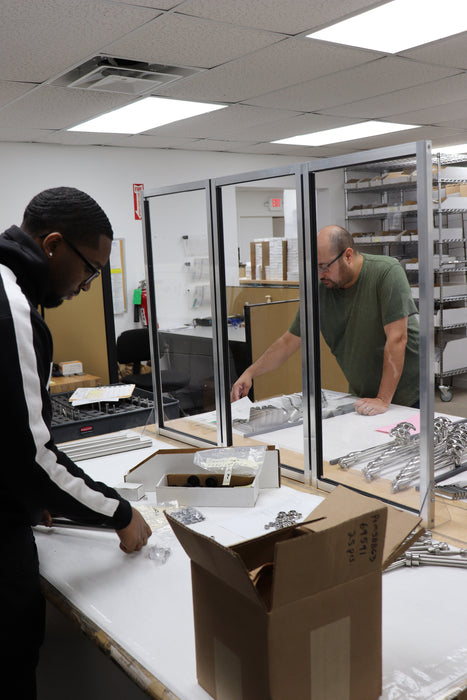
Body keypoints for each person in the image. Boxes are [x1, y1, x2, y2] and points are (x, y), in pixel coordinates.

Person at [0, 187, 152, 699]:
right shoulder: (11, 308)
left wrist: (32, 498)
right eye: (90, 270)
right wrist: (119, 514)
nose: (87, 287)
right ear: (53, 245)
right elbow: (30, 456)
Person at [231, 225, 419, 416]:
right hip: (364, 398)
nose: (320, 275)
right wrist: (250, 373)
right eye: (316, 267)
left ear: (348, 256)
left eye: (324, 267)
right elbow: (289, 341)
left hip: (407, 397)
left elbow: (397, 339)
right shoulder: (320, 289)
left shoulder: (386, 272)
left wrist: (382, 399)